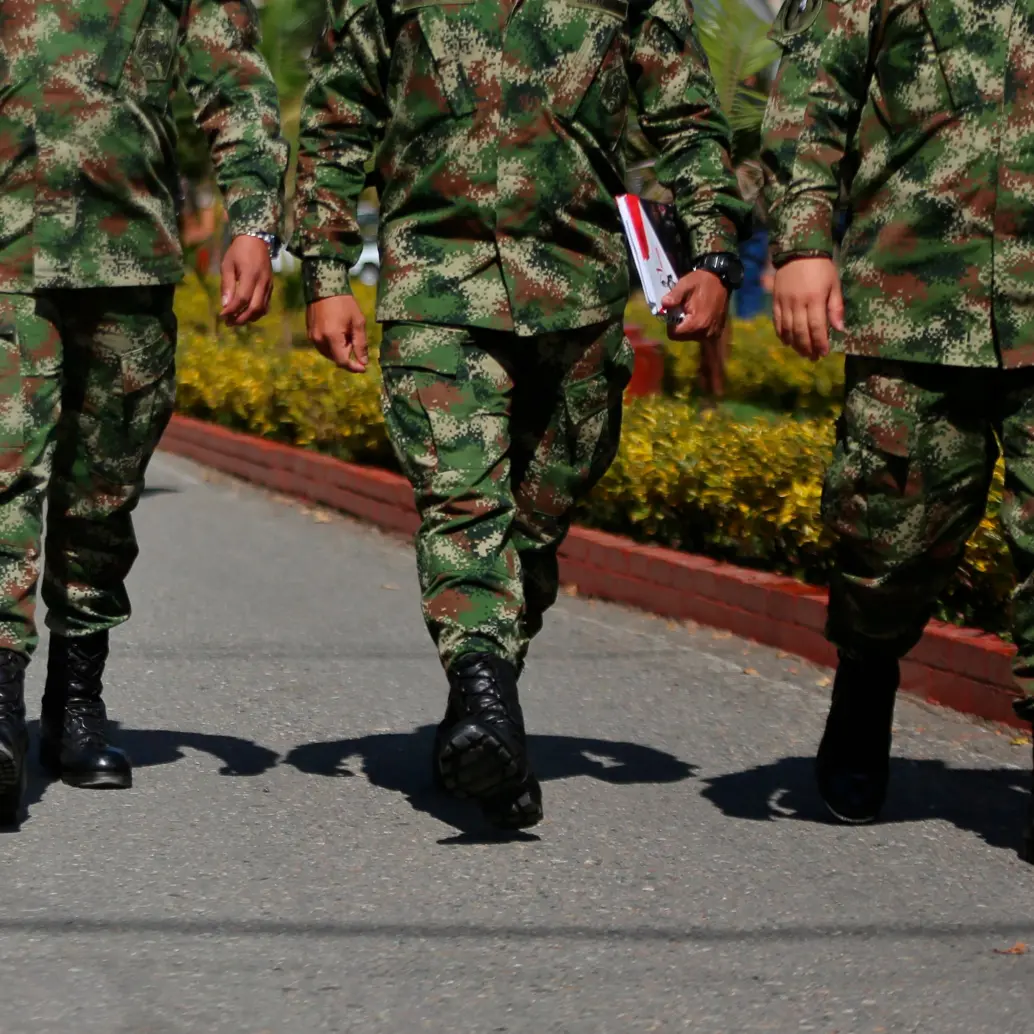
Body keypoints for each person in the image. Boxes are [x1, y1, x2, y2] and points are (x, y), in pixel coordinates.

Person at [292, 0, 748, 829]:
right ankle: (486, 704)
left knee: (535, 523)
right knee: (464, 502)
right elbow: (336, 117)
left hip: (579, 289)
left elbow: (687, 116)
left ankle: (479, 707)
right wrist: (325, 275)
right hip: (437, 282)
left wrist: (715, 256)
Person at [0, 0, 288, 820]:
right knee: (3, 481)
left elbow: (233, 74)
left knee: (101, 497)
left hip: (128, 253)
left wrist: (256, 221)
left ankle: (74, 702)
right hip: (5, 255)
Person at [762, 0, 1034, 850]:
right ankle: (868, 672)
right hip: (917, 297)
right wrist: (803, 240)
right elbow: (814, 88)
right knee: (887, 536)